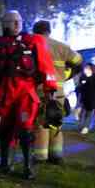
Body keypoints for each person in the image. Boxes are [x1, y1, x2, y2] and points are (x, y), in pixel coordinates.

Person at [0, 10, 57, 180]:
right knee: (3, 130)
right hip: (1, 94)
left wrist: (51, 90)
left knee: (25, 128)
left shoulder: (33, 42)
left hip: (25, 93)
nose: (17, 24)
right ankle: (6, 165)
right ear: (4, 24)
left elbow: (46, 66)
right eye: (13, 21)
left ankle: (28, 167)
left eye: (19, 21)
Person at [31, 20, 83, 165]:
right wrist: (68, 76)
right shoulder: (62, 47)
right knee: (56, 122)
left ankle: (41, 156)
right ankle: (56, 155)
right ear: (49, 31)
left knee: (41, 123)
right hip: (58, 91)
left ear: (35, 31)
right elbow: (79, 61)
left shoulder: (32, 44)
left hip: (39, 91)